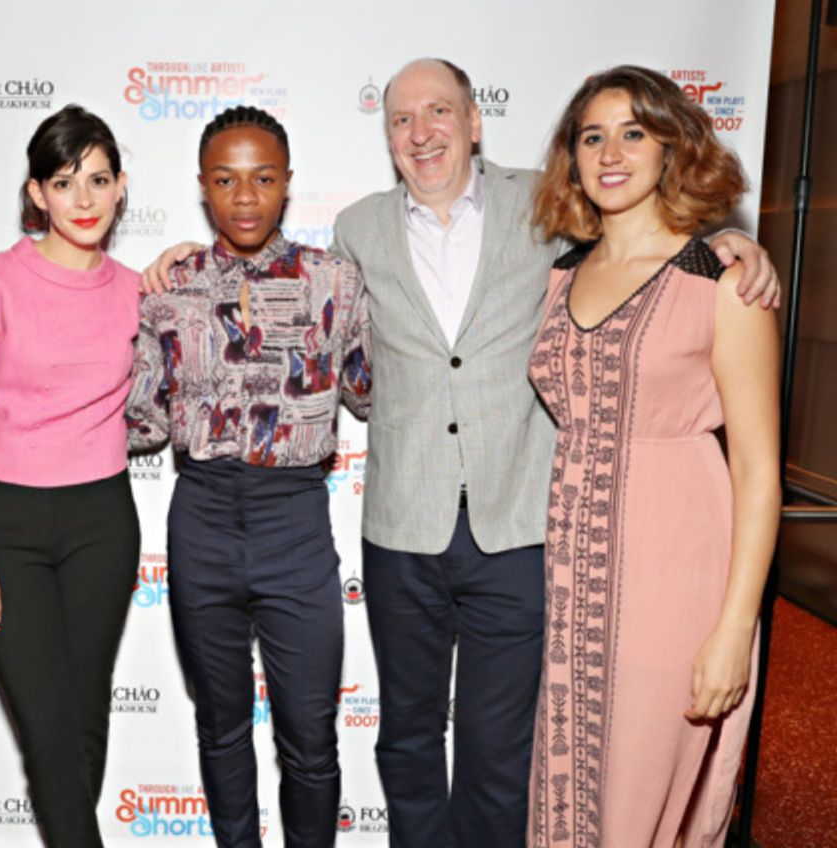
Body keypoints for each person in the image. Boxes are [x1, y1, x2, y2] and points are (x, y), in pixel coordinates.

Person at [144, 58, 778, 848]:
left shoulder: (545, 205)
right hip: (402, 529)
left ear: (474, 122)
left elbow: (647, 238)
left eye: (439, 112)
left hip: (520, 525)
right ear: (388, 139)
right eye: (402, 120)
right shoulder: (356, 232)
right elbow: (274, 290)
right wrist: (182, 266)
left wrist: (728, 244)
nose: (422, 133)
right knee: (407, 739)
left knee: (500, 749)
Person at [526, 65, 779, 847]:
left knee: (641, 793)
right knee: (574, 783)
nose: (610, 153)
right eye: (592, 136)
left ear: (673, 148)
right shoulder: (561, 275)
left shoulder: (723, 282)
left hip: (677, 573)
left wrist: (735, 628)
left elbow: (758, 471)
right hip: (573, 574)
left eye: (633, 133)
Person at [126, 105, 371, 848]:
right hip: (201, 519)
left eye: (263, 178)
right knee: (221, 725)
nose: (245, 197)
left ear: (287, 183)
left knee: (311, 734)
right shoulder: (170, 286)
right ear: (203, 186)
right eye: (226, 179)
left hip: (295, 522)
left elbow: (374, 392)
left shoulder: (336, 280)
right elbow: (142, 420)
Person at [0, 105, 139, 847]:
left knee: (84, 722)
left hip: (102, 523)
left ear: (121, 187)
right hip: (7, 524)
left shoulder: (138, 289)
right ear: (36, 193)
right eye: (63, 182)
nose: (83, 200)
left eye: (98, 180)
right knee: (49, 733)